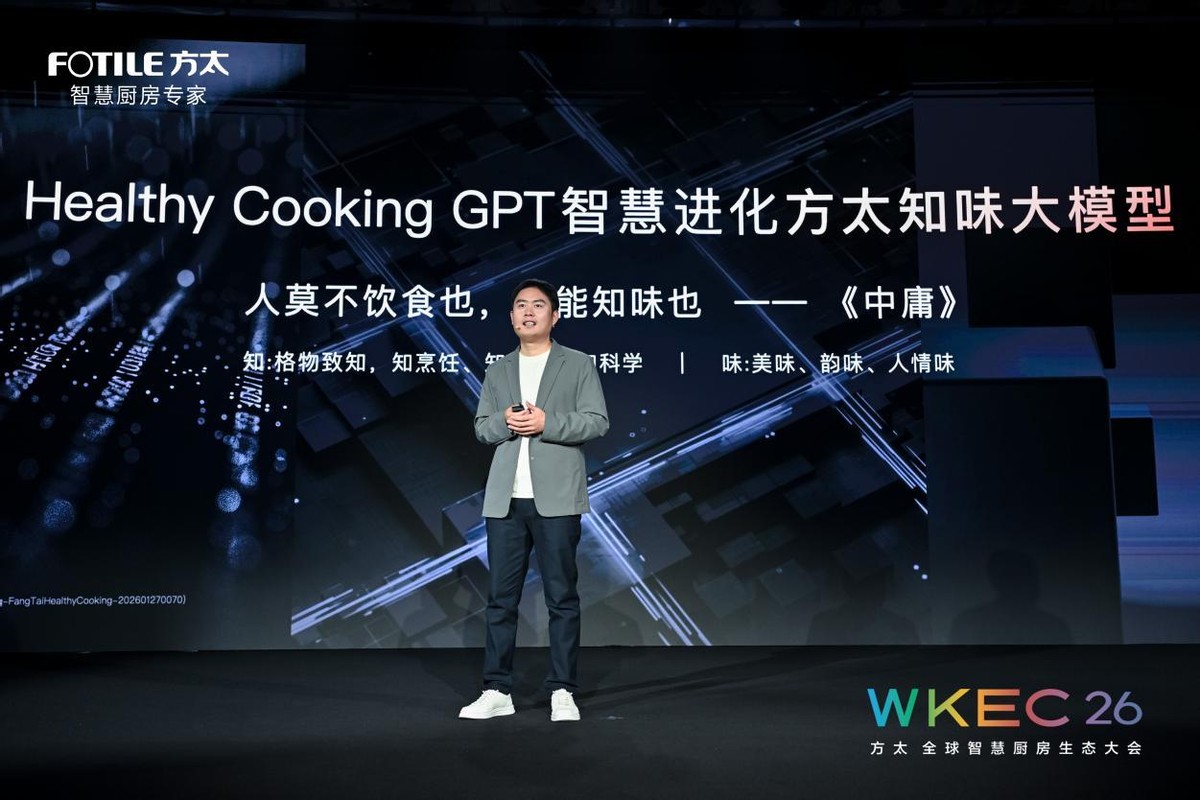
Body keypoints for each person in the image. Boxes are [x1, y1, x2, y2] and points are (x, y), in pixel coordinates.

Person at [458, 278, 609, 723]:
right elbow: (482, 428)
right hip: (505, 501)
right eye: (521, 305)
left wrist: (548, 422)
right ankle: (496, 689)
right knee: (500, 600)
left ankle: (562, 689)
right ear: (511, 318)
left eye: (538, 305)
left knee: (561, 598)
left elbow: (597, 421)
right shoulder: (498, 369)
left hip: (557, 498)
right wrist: (505, 421)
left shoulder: (577, 363)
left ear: (554, 316)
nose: (528, 312)